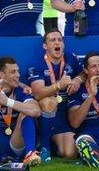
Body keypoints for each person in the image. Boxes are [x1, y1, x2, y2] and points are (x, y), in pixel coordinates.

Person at [26, 29, 80, 161]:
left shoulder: (71, 59)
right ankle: (45, 147)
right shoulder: (36, 64)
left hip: (64, 118)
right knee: (49, 101)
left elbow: (83, 73)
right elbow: (38, 94)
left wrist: (78, 80)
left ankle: (54, 145)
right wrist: (58, 86)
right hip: (44, 116)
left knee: (70, 153)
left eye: (60, 40)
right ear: (45, 46)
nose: (57, 43)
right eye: (52, 40)